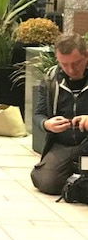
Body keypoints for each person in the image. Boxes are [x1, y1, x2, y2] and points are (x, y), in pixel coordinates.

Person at [31, 33, 88, 195]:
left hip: (87, 143)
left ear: (86, 55)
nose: (71, 70)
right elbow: (38, 115)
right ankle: (76, 180)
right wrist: (47, 124)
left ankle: (80, 178)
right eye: (64, 64)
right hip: (63, 144)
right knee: (46, 181)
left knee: (85, 168)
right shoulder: (51, 79)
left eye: (76, 63)